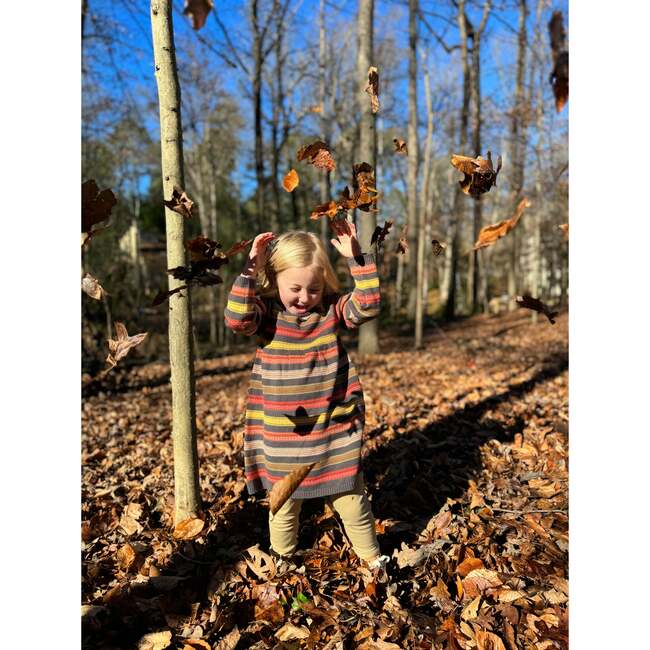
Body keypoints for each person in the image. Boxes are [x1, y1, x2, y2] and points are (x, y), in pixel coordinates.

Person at [224, 220, 389, 572]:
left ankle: (374, 560)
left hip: (333, 426)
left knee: (350, 497)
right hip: (282, 436)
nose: (304, 297)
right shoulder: (267, 316)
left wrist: (357, 259)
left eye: (313, 289)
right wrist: (250, 268)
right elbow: (237, 319)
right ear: (276, 280)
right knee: (284, 504)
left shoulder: (329, 311)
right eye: (295, 288)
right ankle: (283, 562)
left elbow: (369, 305)